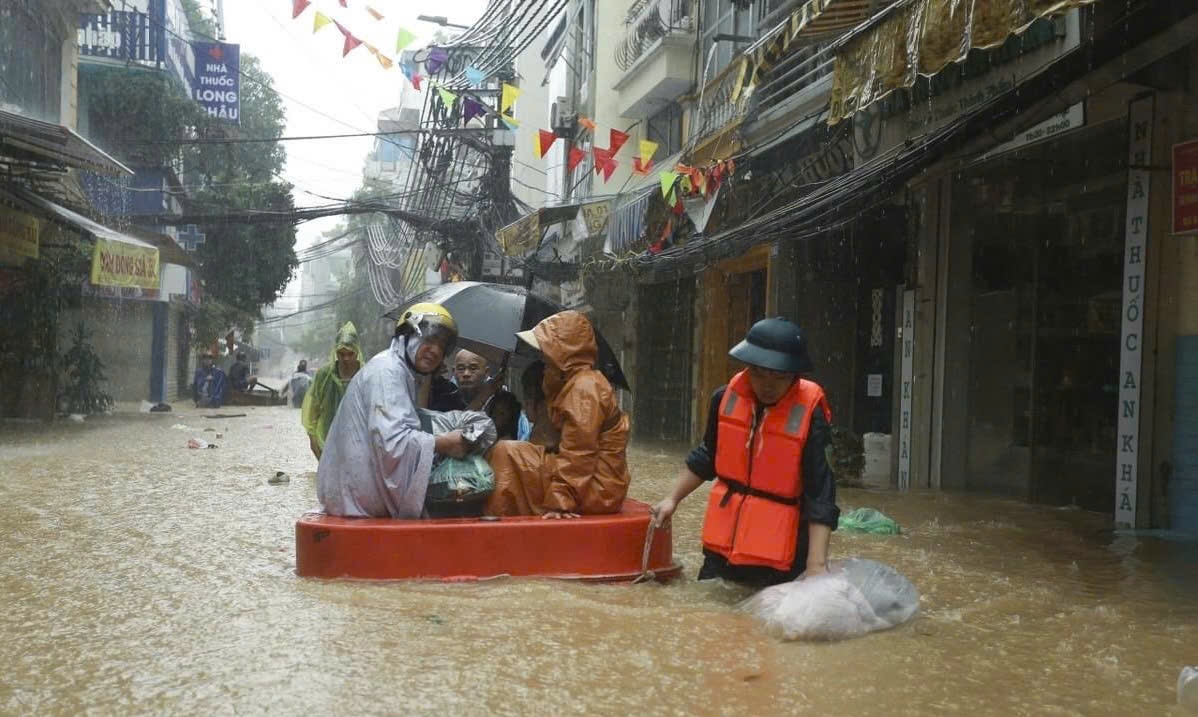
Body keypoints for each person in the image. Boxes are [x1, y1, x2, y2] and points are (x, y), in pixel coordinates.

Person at [652, 318, 839, 587]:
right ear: (747, 367)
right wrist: (672, 499)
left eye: (779, 376)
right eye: (759, 373)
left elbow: (821, 493)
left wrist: (816, 565)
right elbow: (708, 456)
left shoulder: (811, 416)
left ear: (795, 376)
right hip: (721, 555)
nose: (767, 384)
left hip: (779, 562)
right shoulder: (723, 399)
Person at [316, 303, 471, 519]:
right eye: (429, 339)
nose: (436, 350)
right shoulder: (387, 372)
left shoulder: (402, 372)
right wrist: (445, 443)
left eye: (442, 346)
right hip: (357, 507)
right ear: (407, 336)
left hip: (353, 501)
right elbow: (392, 444)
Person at [484, 311, 630, 519]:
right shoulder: (572, 383)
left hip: (597, 487)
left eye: (546, 351)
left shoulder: (585, 387)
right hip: (592, 482)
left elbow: (580, 451)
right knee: (508, 451)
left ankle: (498, 529)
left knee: (505, 453)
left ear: (562, 352)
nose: (543, 357)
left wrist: (561, 499)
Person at [302, 322, 363, 460]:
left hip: (359, 446)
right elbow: (313, 409)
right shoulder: (324, 375)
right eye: (341, 354)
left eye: (350, 353)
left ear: (357, 351)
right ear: (335, 352)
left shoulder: (366, 374)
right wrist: (312, 438)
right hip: (327, 442)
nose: (346, 358)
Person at [453, 348, 520, 440]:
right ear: (453, 371)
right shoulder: (444, 401)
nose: (466, 374)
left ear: (486, 372)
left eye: (473, 368)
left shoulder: (500, 402)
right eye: (461, 369)